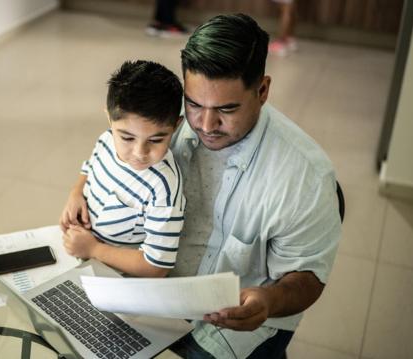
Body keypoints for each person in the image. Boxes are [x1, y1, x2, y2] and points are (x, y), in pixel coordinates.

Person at [168, 14, 341, 358]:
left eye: (227, 109)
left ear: (262, 90)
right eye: (194, 104)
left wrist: (270, 300)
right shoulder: (170, 126)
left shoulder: (304, 175)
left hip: (234, 324)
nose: (205, 125)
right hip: (160, 293)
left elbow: (307, 277)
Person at [59, 60, 186, 278]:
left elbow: (156, 267)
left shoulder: (163, 188)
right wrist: (76, 193)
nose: (139, 152)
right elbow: (89, 168)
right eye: (127, 137)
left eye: (156, 139)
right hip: (82, 255)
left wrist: (93, 249)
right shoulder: (107, 139)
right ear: (109, 118)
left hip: (119, 278)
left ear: (176, 125)